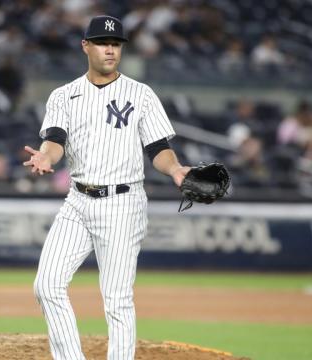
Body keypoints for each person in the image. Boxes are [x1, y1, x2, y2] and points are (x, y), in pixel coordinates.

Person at [23, 15, 191, 360]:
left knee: (116, 299)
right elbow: (55, 140)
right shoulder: (63, 96)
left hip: (122, 203)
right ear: (86, 46)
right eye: (102, 43)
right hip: (77, 200)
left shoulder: (141, 94)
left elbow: (158, 149)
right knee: (46, 285)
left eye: (115, 44)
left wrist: (174, 169)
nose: (110, 49)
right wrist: (46, 157)